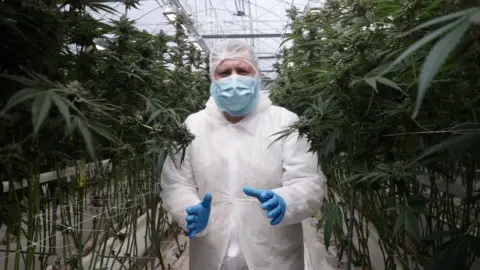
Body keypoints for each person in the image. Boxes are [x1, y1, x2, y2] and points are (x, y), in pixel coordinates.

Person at [160, 39, 326, 270]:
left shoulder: (285, 122)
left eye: (242, 70)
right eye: (225, 72)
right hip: (212, 254)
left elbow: (309, 181)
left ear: (257, 75)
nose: (234, 78)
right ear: (212, 79)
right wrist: (188, 208)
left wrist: (287, 200)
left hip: (273, 255)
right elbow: (176, 183)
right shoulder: (193, 125)